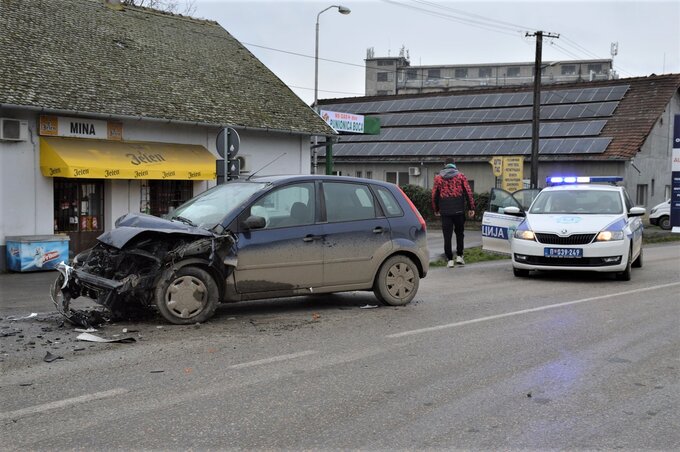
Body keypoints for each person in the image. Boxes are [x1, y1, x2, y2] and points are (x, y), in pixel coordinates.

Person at [432, 161, 475, 268]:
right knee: (460, 234)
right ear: (454, 164)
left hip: (445, 212)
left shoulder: (438, 178)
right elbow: (468, 192)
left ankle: (450, 260)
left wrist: (436, 209)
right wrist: (471, 207)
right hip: (459, 211)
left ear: (445, 165)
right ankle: (460, 256)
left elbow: (434, 195)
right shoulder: (461, 176)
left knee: (447, 236)